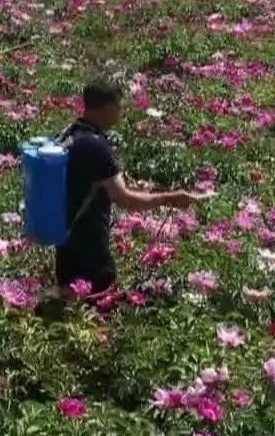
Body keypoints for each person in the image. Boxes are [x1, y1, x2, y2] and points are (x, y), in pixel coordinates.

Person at [56, 78, 208, 298]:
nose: (120, 112)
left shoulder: (67, 134)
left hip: (64, 237)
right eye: (119, 106)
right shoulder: (95, 146)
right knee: (97, 301)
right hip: (89, 244)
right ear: (108, 108)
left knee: (68, 304)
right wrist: (169, 198)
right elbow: (124, 199)